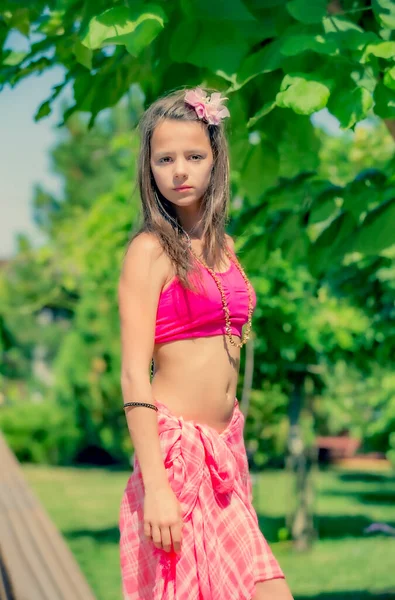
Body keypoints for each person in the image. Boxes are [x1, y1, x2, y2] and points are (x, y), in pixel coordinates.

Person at [118, 87, 293, 600]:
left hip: (224, 455)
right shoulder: (149, 251)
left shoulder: (227, 248)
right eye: (164, 158)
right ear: (148, 168)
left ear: (216, 160)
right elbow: (134, 374)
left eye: (194, 156)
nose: (180, 171)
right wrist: (156, 487)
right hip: (175, 457)